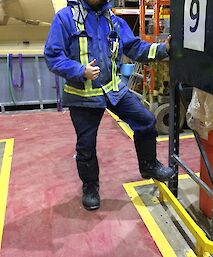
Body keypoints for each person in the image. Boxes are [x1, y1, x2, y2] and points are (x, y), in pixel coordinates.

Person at [44, 0, 175, 211]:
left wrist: (163, 49)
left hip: (112, 90)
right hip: (83, 96)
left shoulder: (113, 20)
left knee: (146, 120)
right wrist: (79, 71)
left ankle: (149, 165)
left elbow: (135, 48)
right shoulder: (65, 18)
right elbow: (53, 56)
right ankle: (90, 187)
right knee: (86, 146)